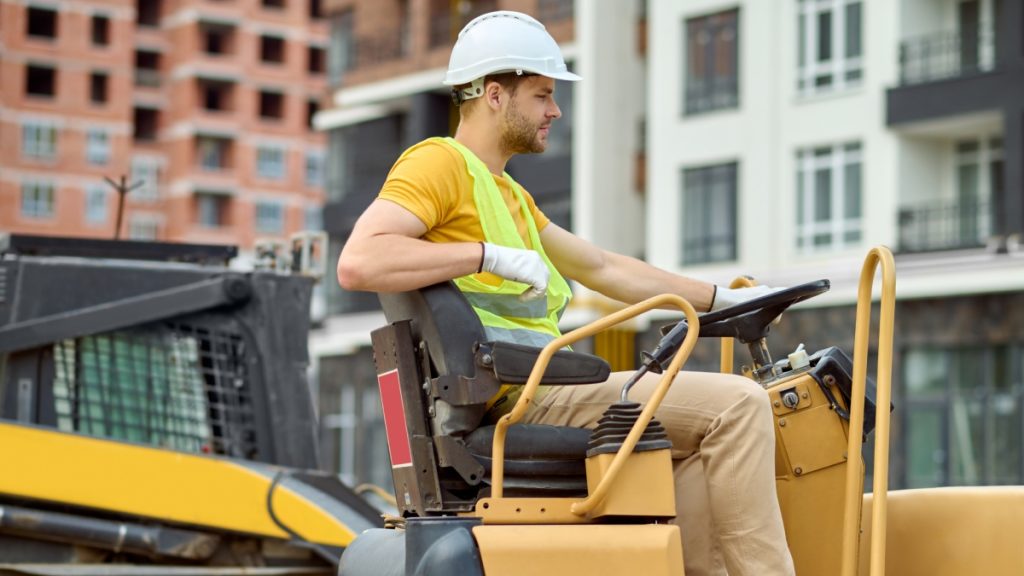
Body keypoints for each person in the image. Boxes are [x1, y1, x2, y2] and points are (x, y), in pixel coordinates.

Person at [337, 10, 795, 576]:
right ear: (495, 95)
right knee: (742, 406)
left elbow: (603, 266)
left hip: (536, 385)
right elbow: (359, 261)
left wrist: (723, 298)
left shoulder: (508, 194)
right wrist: (485, 255)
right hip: (527, 393)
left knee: (704, 449)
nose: (555, 110)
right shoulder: (439, 164)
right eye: (542, 95)